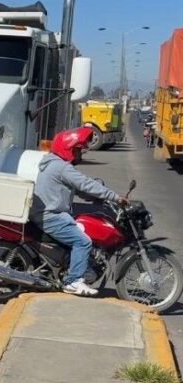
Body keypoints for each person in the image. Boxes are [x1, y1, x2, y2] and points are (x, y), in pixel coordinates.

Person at [31, 127, 126, 297]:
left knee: (81, 228)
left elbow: (74, 188)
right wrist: (115, 197)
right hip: (50, 215)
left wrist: (96, 199)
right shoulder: (61, 167)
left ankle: (69, 268)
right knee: (83, 242)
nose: (80, 155)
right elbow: (85, 183)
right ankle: (73, 281)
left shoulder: (53, 163)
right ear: (68, 149)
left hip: (47, 213)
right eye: (77, 150)